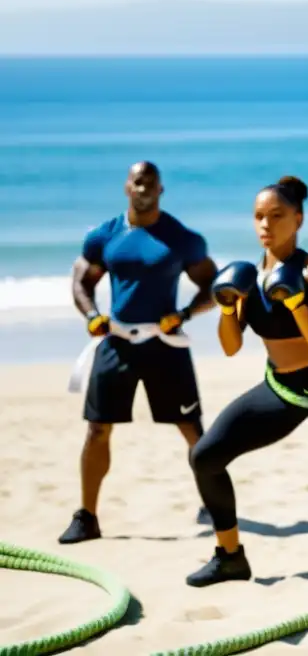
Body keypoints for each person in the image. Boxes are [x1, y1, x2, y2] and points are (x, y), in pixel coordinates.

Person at [185, 175, 308, 594]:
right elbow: (230, 347)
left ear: (298, 219)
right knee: (205, 456)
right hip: (281, 389)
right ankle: (230, 557)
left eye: (276, 216)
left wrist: (295, 303)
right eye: (259, 216)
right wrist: (226, 310)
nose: (266, 225)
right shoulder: (246, 277)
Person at [60, 161, 217, 544]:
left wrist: (182, 314)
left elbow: (212, 286)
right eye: (137, 181)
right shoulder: (104, 236)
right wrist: (92, 315)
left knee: (192, 430)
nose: (143, 186)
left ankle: (216, 505)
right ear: (126, 187)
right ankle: (87, 517)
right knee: (97, 430)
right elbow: (81, 280)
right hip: (116, 344)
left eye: (151, 182)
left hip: (165, 346)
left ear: (161, 190)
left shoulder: (182, 239)